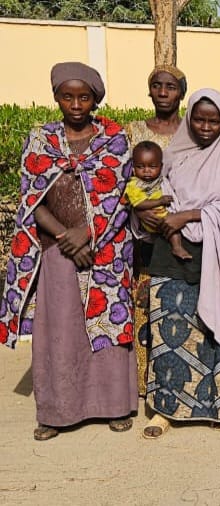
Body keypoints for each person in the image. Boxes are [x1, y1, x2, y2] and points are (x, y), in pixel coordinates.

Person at [0, 62, 137, 440]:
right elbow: (32, 199)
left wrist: (88, 234)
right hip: (56, 249)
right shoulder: (40, 140)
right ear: (56, 97)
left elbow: (122, 196)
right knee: (59, 332)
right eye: (67, 97)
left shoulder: (114, 140)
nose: (76, 104)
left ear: (95, 99)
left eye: (84, 97)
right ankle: (56, 413)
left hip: (105, 249)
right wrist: (67, 237)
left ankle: (114, 407)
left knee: (109, 326)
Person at [140, 89, 220, 438]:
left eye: (213, 120)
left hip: (213, 252)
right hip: (169, 250)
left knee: (209, 328)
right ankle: (164, 410)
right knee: (167, 327)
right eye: (199, 119)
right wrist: (157, 215)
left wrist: (187, 214)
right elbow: (153, 190)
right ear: (189, 119)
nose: (205, 126)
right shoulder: (175, 154)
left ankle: (217, 405)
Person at [126, 64, 187, 398]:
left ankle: (172, 382)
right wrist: (140, 210)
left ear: (181, 93)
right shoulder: (132, 131)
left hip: (182, 230)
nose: (163, 92)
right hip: (144, 238)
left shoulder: (192, 131)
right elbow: (121, 181)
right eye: (157, 86)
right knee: (144, 303)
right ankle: (142, 381)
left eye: (171, 87)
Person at [125, 141, 191, 260]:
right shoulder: (134, 185)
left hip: (163, 214)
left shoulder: (162, 181)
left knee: (174, 226)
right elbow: (139, 204)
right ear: (133, 167)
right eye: (140, 167)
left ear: (161, 166)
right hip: (150, 220)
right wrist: (159, 201)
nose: (146, 171)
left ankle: (177, 247)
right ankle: (175, 247)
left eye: (152, 167)